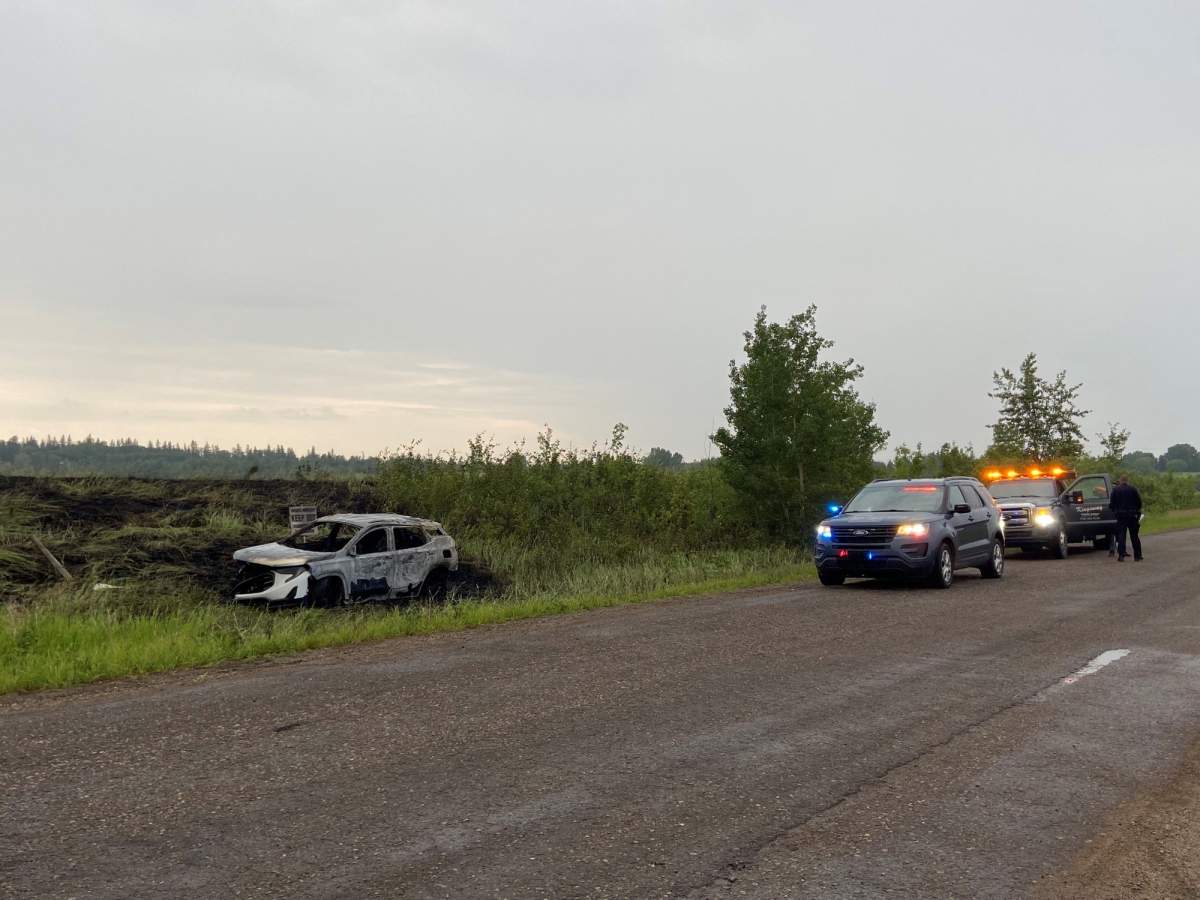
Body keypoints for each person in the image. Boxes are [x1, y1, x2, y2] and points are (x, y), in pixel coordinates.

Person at [1109, 474, 1143, 561]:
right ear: (1127, 481)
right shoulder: (1133, 489)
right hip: (1132, 516)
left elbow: (1112, 503)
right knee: (1134, 536)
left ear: (1120, 481)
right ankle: (1137, 556)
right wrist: (1136, 510)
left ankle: (1121, 556)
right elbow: (1139, 502)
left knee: (1121, 536)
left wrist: (1115, 511)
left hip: (1121, 516)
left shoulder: (1115, 490)